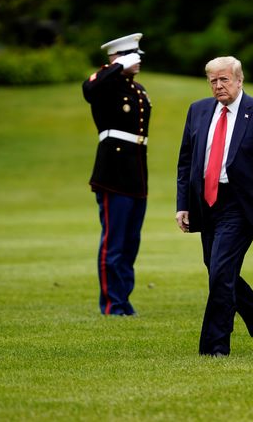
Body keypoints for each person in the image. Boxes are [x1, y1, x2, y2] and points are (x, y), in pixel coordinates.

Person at [175, 56, 253, 356]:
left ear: (239, 80)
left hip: (241, 206)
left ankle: (215, 347)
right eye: (213, 80)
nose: (218, 85)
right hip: (206, 203)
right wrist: (182, 204)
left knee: (221, 271)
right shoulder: (198, 111)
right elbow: (186, 162)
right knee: (217, 271)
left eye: (224, 79)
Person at [82, 33, 150, 316]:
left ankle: (124, 300)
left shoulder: (137, 89)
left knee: (131, 242)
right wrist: (118, 66)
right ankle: (112, 304)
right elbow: (89, 89)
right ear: (117, 59)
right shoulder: (105, 84)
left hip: (136, 171)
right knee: (114, 241)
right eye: (131, 56)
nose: (138, 61)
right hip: (113, 170)